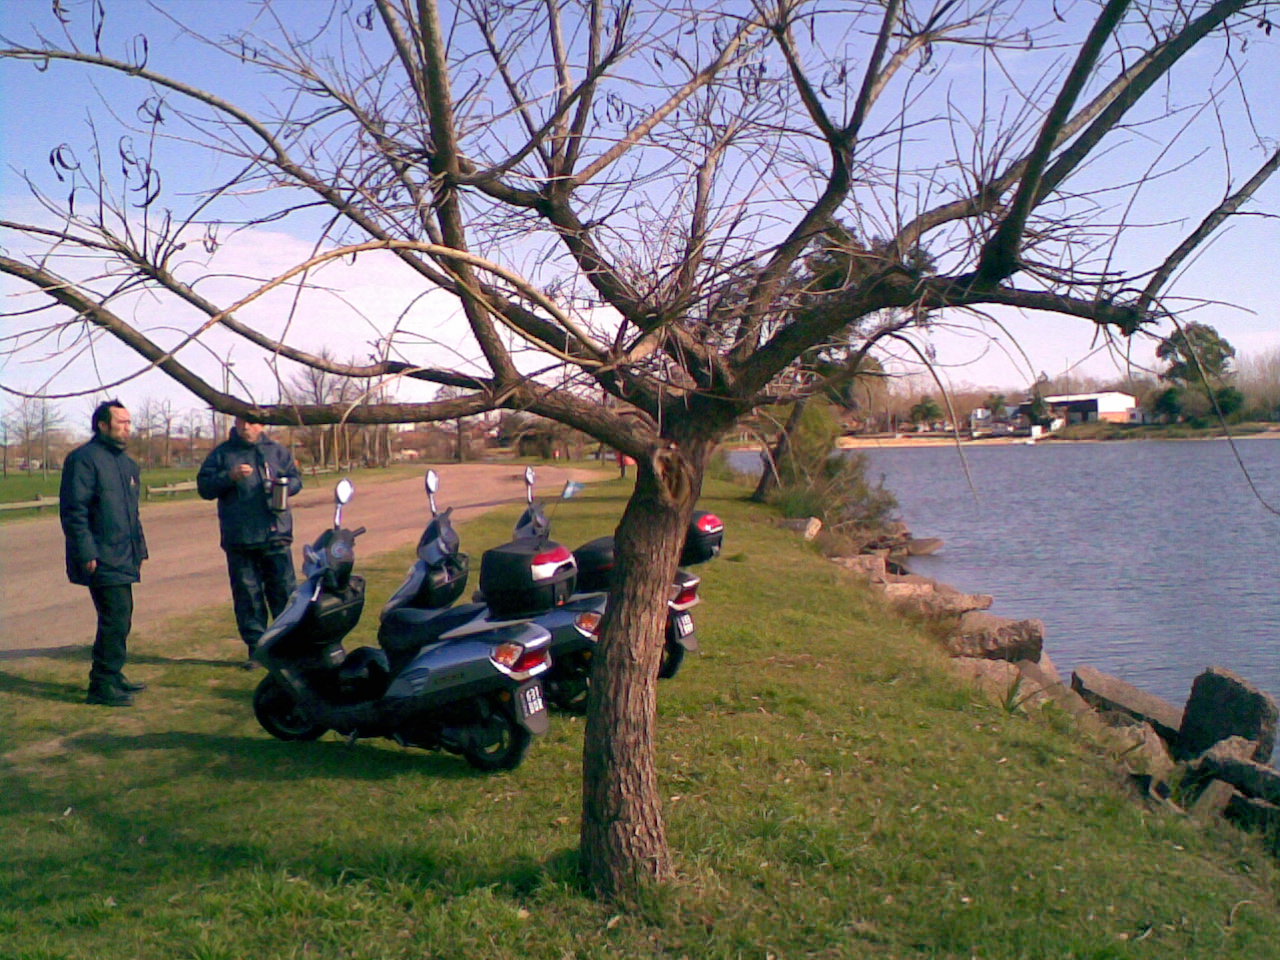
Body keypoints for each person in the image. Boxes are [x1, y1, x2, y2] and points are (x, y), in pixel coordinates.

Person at [60, 400, 149, 707]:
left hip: (125, 553)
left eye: (129, 422)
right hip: (101, 555)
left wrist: (139, 548)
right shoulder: (83, 460)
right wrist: (86, 550)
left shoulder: (127, 464)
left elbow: (131, 513)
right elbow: (75, 510)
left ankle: (113, 674)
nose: (127, 428)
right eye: (121, 422)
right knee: (115, 618)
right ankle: (102, 684)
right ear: (102, 425)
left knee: (121, 618)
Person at [198, 414, 303, 667]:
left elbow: (296, 479)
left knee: (284, 593)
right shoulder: (223, 454)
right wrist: (229, 477)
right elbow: (204, 488)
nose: (246, 427)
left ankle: (287, 648)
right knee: (248, 596)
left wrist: (284, 486)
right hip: (240, 538)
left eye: (251, 422)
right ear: (235, 424)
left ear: (262, 425)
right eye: (241, 422)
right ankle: (257, 650)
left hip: (275, 534)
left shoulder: (277, 451)